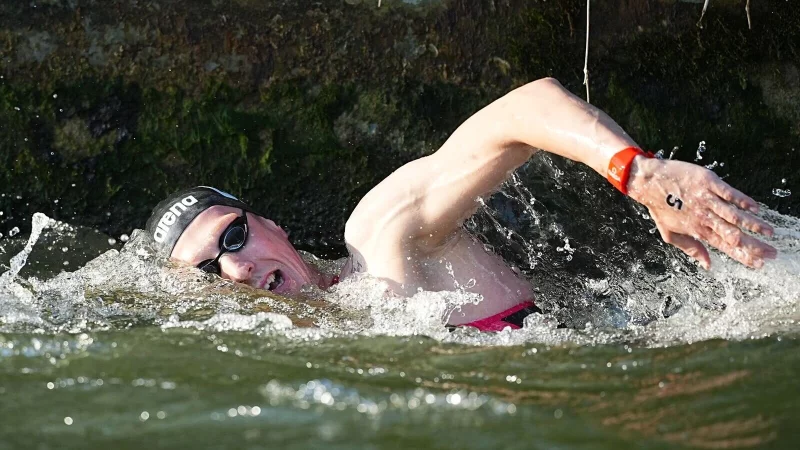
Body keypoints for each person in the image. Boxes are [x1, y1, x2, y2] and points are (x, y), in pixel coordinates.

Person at [145, 78, 777, 331]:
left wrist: (639, 175)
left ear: (270, 226)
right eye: (207, 271)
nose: (235, 269)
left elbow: (525, 107)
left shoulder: (380, 243)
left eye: (232, 238)